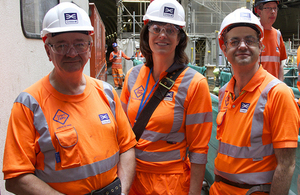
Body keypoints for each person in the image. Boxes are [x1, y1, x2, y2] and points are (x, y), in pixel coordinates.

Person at [2, 2, 137, 195]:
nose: (72, 52)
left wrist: (122, 191)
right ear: (48, 50)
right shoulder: (29, 104)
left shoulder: (106, 93)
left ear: (89, 48)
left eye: (79, 44)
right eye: (61, 45)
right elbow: (15, 177)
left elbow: (127, 147)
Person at [120, 0, 213, 194]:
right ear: (147, 33)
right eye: (156, 28)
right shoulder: (133, 76)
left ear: (179, 38)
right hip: (132, 178)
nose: (163, 35)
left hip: (171, 184)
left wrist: (194, 192)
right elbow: (121, 133)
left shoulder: (195, 84)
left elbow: (199, 149)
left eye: (171, 30)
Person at [209, 8, 299, 195]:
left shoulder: (278, 94)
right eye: (234, 41)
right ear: (224, 48)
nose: (242, 46)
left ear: (261, 46)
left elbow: (287, 164)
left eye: (249, 40)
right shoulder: (226, 91)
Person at [254, 0, 287, 81]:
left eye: (275, 8)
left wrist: (280, 85)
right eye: (268, 8)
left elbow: (280, 65)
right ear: (259, 11)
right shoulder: (252, 34)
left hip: (274, 89)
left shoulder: (278, 34)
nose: (273, 12)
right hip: (256, 89)